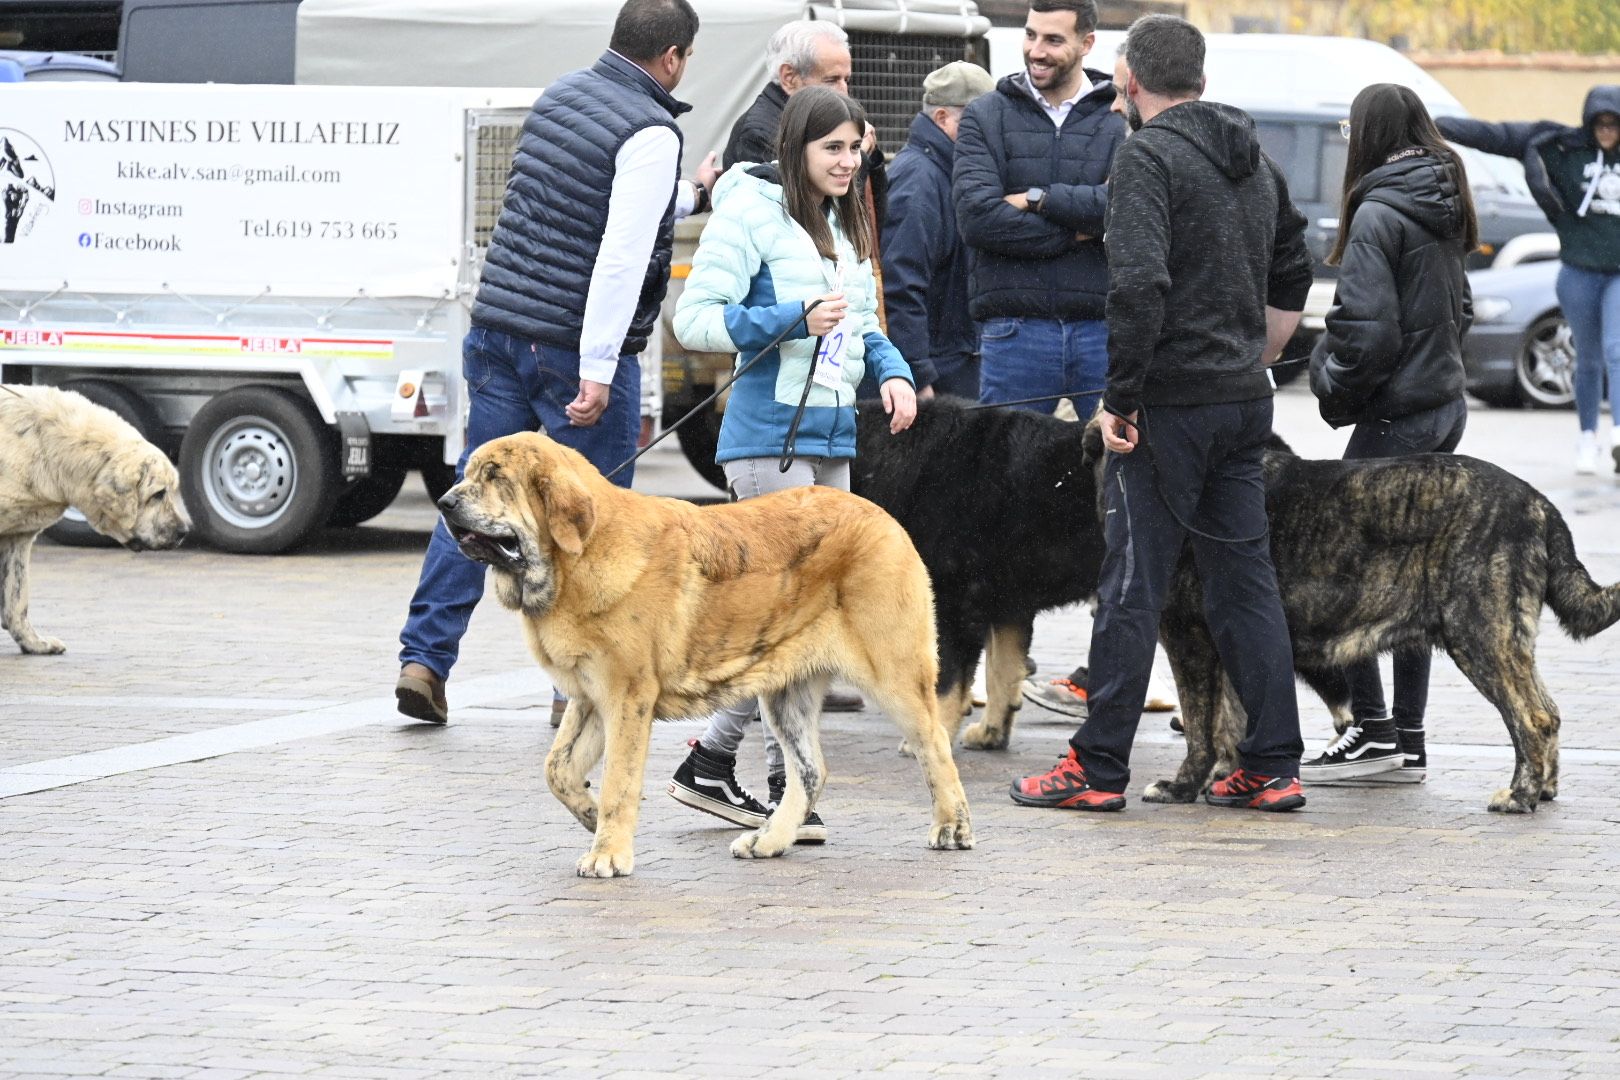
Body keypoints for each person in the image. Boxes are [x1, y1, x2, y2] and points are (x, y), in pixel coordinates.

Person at [1009, 15, 1313, 814]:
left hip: (1169, 408)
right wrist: (1261, 351)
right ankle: (1272, 764)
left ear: (1132, 82)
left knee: (1132, 584)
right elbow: (1297, 259)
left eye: (1117, 84)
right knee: (1243, 584)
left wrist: (1119, 400)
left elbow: (1137, 284)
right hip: (1244, 407)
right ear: (1202, 83)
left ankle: (1097, 766)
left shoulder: (1147, 156)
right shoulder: (1251, 156)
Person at [394, 0, 718, 725]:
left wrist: (695, 193)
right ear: (672, 57)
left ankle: (424, 660)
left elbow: (589, 203)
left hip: (500, 328)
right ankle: (569, 690)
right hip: (572, 347)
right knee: (588, 520)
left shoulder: (563, 95)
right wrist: (599, 369)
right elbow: (621, 254)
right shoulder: (650, 128)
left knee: (476, 499)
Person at [667, 87, 919, 842]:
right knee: (778, 627)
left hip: (833, 437)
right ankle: (712, 767)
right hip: (764, 442)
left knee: (813, 624)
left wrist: (895, 372)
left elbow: (867, 321)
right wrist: (789, 318)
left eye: (855, 149)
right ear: (797, 150)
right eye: (832, 150)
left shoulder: (846, 219)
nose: (847, 163)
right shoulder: (749, 212)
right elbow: (696, 320)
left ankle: (784, 786)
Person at [1301, 83, 1479, 785]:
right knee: (1413, 576)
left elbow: (1366, 335)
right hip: (1441, 406)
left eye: (1349, 131)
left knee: (1338, 572)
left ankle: (1374, 729)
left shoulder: (1379, 208)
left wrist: (1327, 380)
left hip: (1394, 416)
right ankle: (1406, 736)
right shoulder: (1443, 196)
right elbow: (1458, 307)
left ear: (1369, 133)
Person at [952, 0, 1124, 418]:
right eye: (1030, 35)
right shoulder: (985, 115)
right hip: (1015, 332)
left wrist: (1038, 200)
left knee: (1119, 472)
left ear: (1087, 43)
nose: (1036, 50)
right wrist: (1081, 231)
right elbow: (978, 220)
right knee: (1005, 475)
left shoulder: (1119, 118)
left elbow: (1124, 209)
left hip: (1102, 332)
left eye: (1053, 39)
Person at [1437, 89, 1620, 475]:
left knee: (1615, 350)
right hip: (1579, 271)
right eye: (1600, 124)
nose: (1607, 131)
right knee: (1587, 359)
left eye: (1614, 124)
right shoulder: (1561, 148)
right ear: (1589, 123)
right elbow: (1496, 135)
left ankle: (1619, 435)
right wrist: (1433, 126)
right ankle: (1588, 438)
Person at [879, 60, 996, 399]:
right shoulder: (920, 183)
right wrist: (917, 376)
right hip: (940, 375)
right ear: (943, 118)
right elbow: (899, 284)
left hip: (954, 362)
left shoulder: (949, 172)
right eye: (979, 122)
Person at [723, 20, 887, 225]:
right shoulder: (758, 134)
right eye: (831, 80)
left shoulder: (812, 121)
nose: (844, 91)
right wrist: (859, 152)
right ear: (789, 77)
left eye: (847, 80)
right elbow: (801, 213)